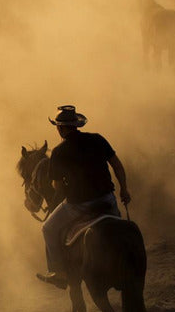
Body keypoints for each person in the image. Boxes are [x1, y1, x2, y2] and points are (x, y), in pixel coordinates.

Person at [37, 105, 131, 290]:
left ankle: (59, 273)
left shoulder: (58, 152)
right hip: (107, 200)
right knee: (122, 231)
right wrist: (124, 190)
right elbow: (117, 166)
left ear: (61, 128)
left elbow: (56, 186)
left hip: (78, 206)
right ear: (76, 124)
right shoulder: (98, 139)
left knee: (47, 228)